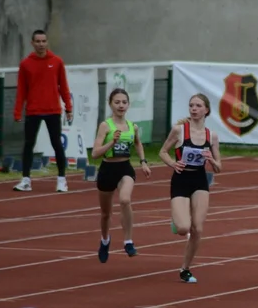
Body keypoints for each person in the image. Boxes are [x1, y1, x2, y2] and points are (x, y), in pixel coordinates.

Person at [158, 93, 221, 284]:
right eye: (191, 105)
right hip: (181, 179)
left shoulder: (212, 135)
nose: (194, 109)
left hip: (200, 180)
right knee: (183, 227)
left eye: (198, 106)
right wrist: (172, 164)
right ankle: (177, 219)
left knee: (197, 229)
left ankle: (185, 268)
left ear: (206, 110)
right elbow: (162, 151)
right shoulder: (179, 131)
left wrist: (210, 159)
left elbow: (219, 167)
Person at [91, 88, 151, 263]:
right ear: (110, 104)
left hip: (125, 168)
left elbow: (138, 144)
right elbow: (95, 153)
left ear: (128, 105)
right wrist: (112, 142)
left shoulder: (132, 126)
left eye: (124, 102)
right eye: (117, 102)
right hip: (107, 170)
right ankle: (105, 240)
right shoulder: (105, 126)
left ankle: (128, 241)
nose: (121, 105)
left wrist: (144, 162)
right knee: (105, 214)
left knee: (125, 200)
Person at [12, 30, 72, 193]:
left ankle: (61, 179)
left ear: (47, 42)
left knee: (57, 144)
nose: (41, 44)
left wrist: (68, 107)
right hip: (33, 110)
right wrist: (17, 111)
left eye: (43, 41)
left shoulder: (57, 62)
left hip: (53, 110)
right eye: (37, 41)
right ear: (32, 43)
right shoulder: (25, 64)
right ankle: (26, 180)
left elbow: (63, 87)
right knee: (28, 145)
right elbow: (21, 90)